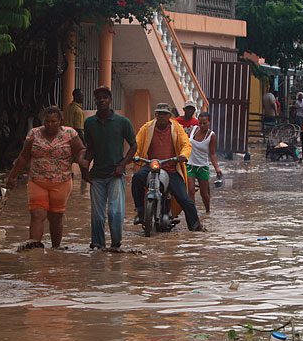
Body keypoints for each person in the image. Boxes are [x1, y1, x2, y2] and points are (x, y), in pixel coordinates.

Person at [7, 106, 88, 248]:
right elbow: (24, 157)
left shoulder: (70, 134)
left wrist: (83, 164)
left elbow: (81, 150)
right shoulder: (34, 134)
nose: (50, 125)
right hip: (37, 181)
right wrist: (12, 176)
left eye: (53, 121)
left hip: (61, 182)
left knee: (55, 218)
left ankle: (55, 250)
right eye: (47, 121)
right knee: (37, 214)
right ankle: (34, 249)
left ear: (60, 122)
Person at [132, 103, 202, 231]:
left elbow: (186, 144)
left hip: (171, 169)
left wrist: (183, 155)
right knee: (136, 177)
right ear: (155, 114)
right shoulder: (147, 128)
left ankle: (195, 225)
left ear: (170, 116)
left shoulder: (177, 129)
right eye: (159, 113)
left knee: (185, 199)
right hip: (152, 166)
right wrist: (134, 156)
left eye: (165, 114)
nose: (162, 116)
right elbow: (137, 142)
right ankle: (140, 211)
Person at [83, 85, 136, 249]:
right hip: (97, 174)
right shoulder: (90, 123)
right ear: (95, 101)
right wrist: (84, 169)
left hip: (116, 174)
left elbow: (134, 146)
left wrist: (122, 165)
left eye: (105, 97)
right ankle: (98, 245)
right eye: (98, 98)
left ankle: (115, 244)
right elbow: (90, 148)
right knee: (97, 216)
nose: (102, 100)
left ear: (110, 100)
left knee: (115, 212)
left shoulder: (122, 122)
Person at [186, 112, 223, 213]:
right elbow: (186, 146)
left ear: (209, 122)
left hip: (202, 167)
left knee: (204, 193)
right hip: (190, 165)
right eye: (200, 123)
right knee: (191, 191)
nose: (202, 126)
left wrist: (217, 168)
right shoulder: (193, 130)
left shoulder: (212, 135)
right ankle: (192, 213)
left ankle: (207, 211)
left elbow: (212, 153)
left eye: (204, 123)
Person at [63, 88, 87, 190]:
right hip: (75, 139)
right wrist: (83, 142)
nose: (82, 97)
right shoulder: (78, 110)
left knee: (68, 160)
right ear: (76, 96)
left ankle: (67, 180)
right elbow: (78, 128)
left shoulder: (68, 107)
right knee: (82, 159)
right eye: (81, 96)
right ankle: (84, 180)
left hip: (66, 138)